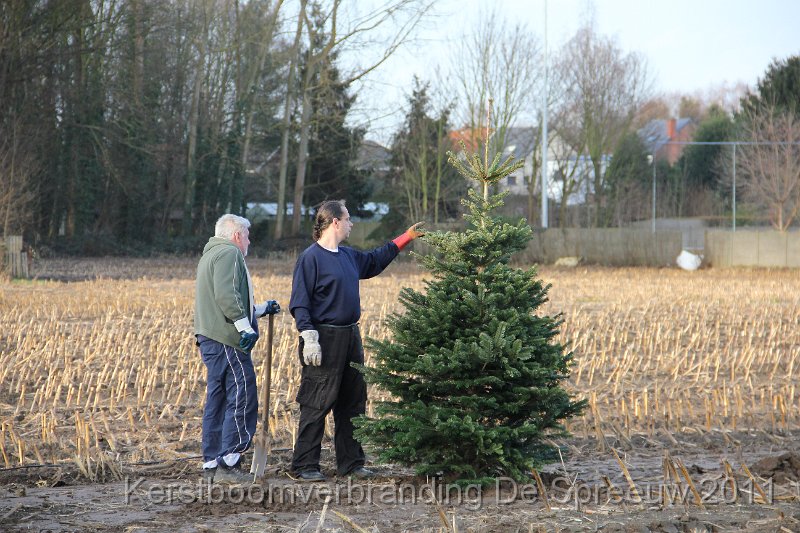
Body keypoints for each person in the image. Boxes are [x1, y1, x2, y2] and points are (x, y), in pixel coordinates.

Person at [289, 200, 423, 481]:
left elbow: (375, 260)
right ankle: (305, 465)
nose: (352, 224)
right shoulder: (311, 258)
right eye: (348, 219)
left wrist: (406, 238)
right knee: (317, 401)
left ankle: (351, 463)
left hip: (351, 336)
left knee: (353, 402)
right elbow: (300, 303)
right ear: (335, 222)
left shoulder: (348, 256)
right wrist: (309, 336)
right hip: (323, 338)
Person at [194, 214, 281, 483]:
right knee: (242, 393)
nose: (249, 241)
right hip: (227, 340)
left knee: (217, 399)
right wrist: (245, 327)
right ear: (236, 236)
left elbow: (223, 299)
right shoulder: (230, 253)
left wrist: (260, 309)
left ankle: (211, 463)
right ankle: (229, 461)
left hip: (210, 338)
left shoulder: (211, 254)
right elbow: (226, 296)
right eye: (247, 235)